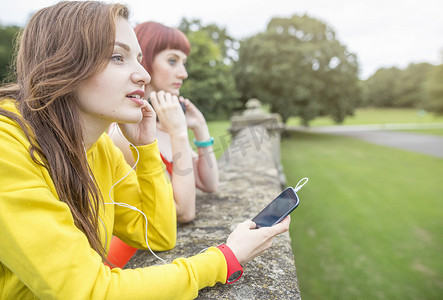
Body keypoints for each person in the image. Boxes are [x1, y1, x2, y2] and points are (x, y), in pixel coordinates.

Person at [0, 1, 290, 299]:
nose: (143, 75)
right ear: (62, 63)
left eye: (138, 59)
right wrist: (225, 258)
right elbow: (90, 292)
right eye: (117, 57)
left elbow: (160, 234)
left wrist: (147, 147)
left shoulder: (97, 147)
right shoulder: (6, 150)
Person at [110, 21, 218, 225]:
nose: (183, 73)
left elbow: (208, 183)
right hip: (133, 253)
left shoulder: (164, 126)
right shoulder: (125, 133)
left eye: (183, 62)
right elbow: (182, 212)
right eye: (172, 61)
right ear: (147, 61)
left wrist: (201, 128)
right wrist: (179, 133)